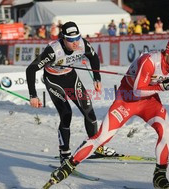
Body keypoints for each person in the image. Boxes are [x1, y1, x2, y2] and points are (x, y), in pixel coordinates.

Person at [46, 36, 169, 189]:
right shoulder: (150, 60)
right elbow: (137, 90)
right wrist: (163, 87)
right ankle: (68, 166)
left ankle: (160, 176)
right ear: (167, 52)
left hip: (149, 101)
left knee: (166, 131)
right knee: (102, 137)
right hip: (127, 99)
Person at [26, 21, 115, 164]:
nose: (75, 43)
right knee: (66, 114)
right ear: (63, 38)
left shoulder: (82, 43)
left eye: (77, 38)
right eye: (71, 40)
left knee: (89, 112)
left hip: (71, 78)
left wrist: (97, 78)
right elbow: (31, 69)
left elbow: (94, 57)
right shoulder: (53, 51)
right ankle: (65, 153)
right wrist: (33, 95)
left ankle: (96, 147)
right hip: (54, 81)